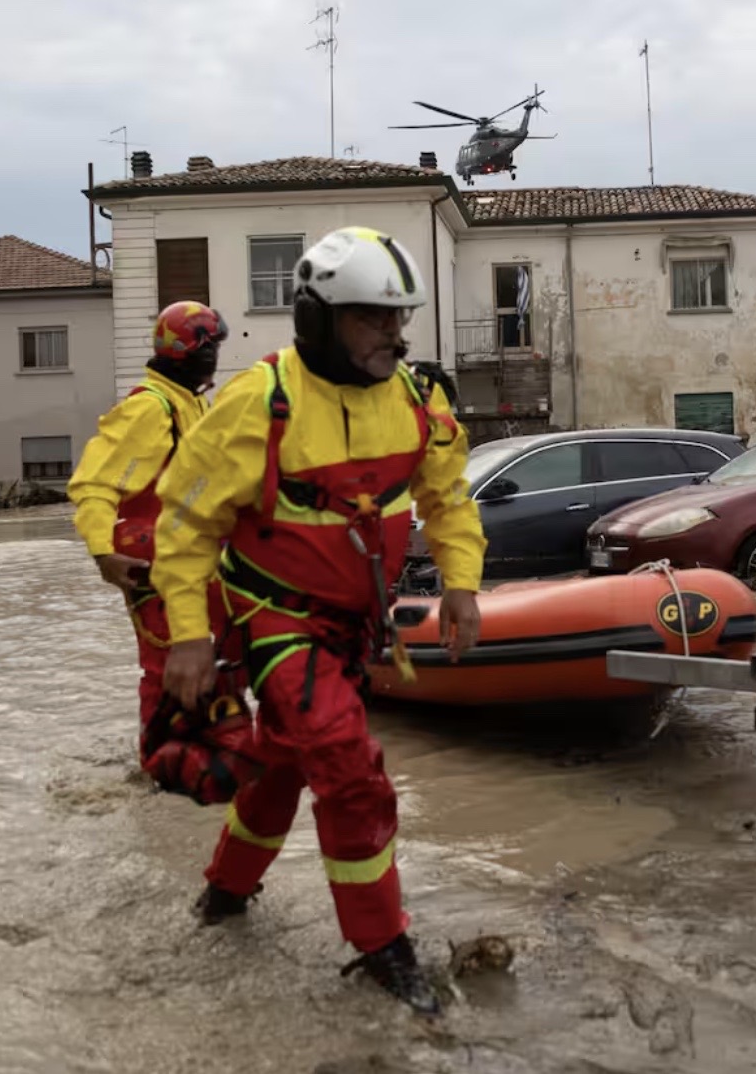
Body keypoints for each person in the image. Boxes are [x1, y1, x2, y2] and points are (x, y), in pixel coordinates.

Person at [151, 227, 485, 1016]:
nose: (394, 335)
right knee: (348, 767)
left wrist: (463, 588)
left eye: (399, 318)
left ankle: (224, 897)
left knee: (282, 764)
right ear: (318, 318)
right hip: (274, 621)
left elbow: (447, 499)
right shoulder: (255, 404)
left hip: (352, 630)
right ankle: (380, 944)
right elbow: (185, 528)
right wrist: (190, 637)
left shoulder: (416, 400)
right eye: (373, 318)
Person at [66, 300, 228, 730]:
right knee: (166, 663)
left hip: (192, 552)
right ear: (196, 354)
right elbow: (95, 484)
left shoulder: (189, 403)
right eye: (211, 350)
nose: (216, 360)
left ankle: (199, 747)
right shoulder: (151, 408)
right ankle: (162, 768)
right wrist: (103, 554)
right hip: (152, 555)